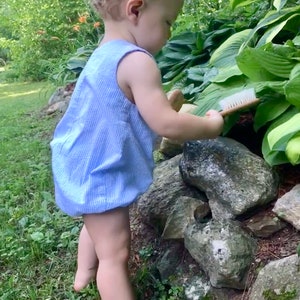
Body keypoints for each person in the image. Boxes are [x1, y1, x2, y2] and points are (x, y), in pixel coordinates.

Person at [50, 0, 224, 299]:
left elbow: (120, 109)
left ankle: (83, 273)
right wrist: (211, 127)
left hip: (83, 160)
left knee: (97, 219)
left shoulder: (103, 53)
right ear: (135, 9)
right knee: (114, 255)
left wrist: (160, 108)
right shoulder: (137, 61)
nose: (170, 33)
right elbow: (166, 124)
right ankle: (100, 273)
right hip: (100, 170)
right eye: (168, 22)